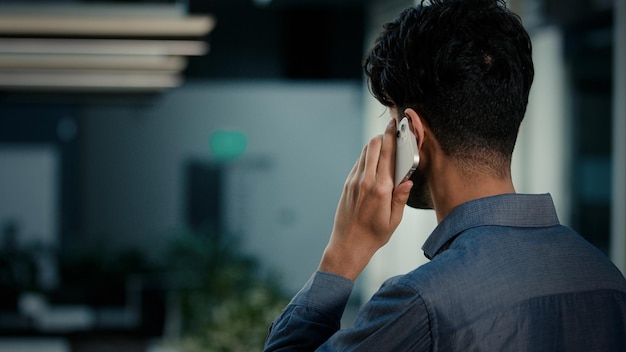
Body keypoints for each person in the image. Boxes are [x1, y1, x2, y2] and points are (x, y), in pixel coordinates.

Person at [263, 0, 626, 350]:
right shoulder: (608, 279)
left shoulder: (419, 303)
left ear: (412, 133)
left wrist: (342, 254)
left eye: (391, 124)